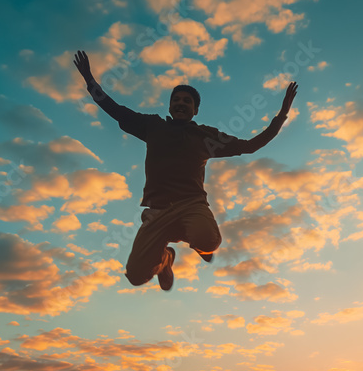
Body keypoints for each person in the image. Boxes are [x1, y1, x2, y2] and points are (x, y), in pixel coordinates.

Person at [73, 50, 298, 291]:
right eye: (176, 100)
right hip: (158, 211)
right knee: (136, 276)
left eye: (187, 101)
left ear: (195, 110)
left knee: (209, 240)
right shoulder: (153, 126)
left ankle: (200, 245)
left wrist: (282, 114)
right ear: (170, 106)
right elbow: (115, 109)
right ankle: (165, 259)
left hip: (191, 204)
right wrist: (89, 80)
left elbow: (250, 145)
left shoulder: (205, 137)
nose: (181, 103)